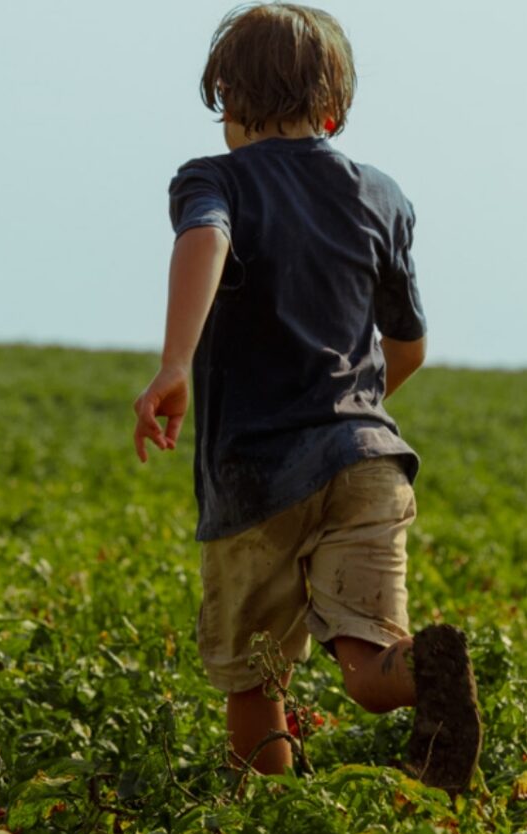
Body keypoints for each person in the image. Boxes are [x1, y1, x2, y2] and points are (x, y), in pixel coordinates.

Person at [129, 2, 480, 793]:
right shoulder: (382, 195)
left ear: (227, 99)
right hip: (369, 463)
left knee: (255, 679)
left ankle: (271, 815)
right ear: (335, 105)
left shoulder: (214, 180)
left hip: (257, 476)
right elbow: (408, 346)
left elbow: (206, 238)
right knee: (367, 668)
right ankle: (425, 670)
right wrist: (348, 410)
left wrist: (175, 362)